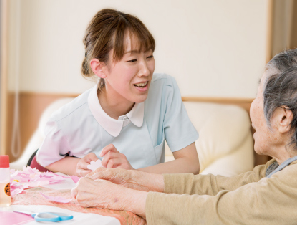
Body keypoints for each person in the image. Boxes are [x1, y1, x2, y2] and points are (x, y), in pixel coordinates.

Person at [72, 49, 297, 225]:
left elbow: (216, 210)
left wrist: (118, 196)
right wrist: (131, 179)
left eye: (258, 97)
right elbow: (220, 186)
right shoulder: (280, 169)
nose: (252, 106)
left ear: (284, 118)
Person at [34, 8, 200, 177]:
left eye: (149, 56)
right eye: (132, 60)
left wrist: (132, 174)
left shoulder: (164, 90)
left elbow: (191, 163)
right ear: (100, 68)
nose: (146, 70)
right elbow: (44, 159)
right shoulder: (67, 120)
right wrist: (77, 165)